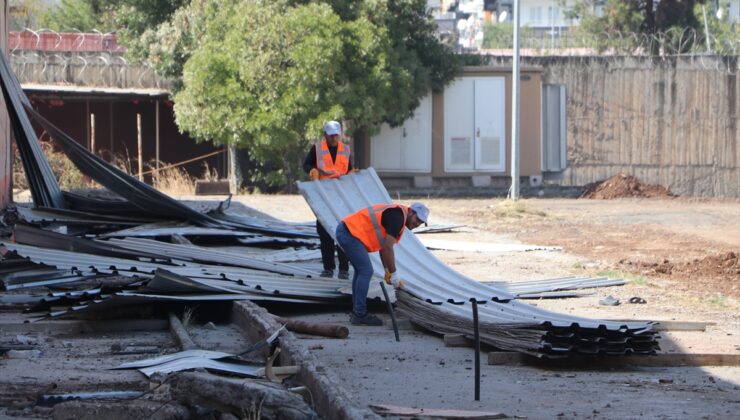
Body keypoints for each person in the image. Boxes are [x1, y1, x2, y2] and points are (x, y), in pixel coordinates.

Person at [335, 202, 429, 326]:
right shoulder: (398, 218)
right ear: (410, 211)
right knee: (366, 271)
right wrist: (394, 275)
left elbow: (383, 246)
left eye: (421, 222)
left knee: (361, 271)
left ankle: (357, 312)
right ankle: (359, 314)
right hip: (350, 233)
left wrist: (386, 270)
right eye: (417, 219)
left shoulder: (397, 215)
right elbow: (388, 249)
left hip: (347, 231)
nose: (417, 224)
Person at [303, 120, 353, 279]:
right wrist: (312, 170)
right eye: (331, 136)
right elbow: (306, 164)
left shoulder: (345, 150)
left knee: (343, 233)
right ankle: (328, 268)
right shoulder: (317, 149)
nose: (333, 138)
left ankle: (344, 269)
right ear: (325, 135)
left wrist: (352, 174)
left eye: (336, 135)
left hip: (340, 197)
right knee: (325, 233)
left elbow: (349, 168)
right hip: (323, 196)